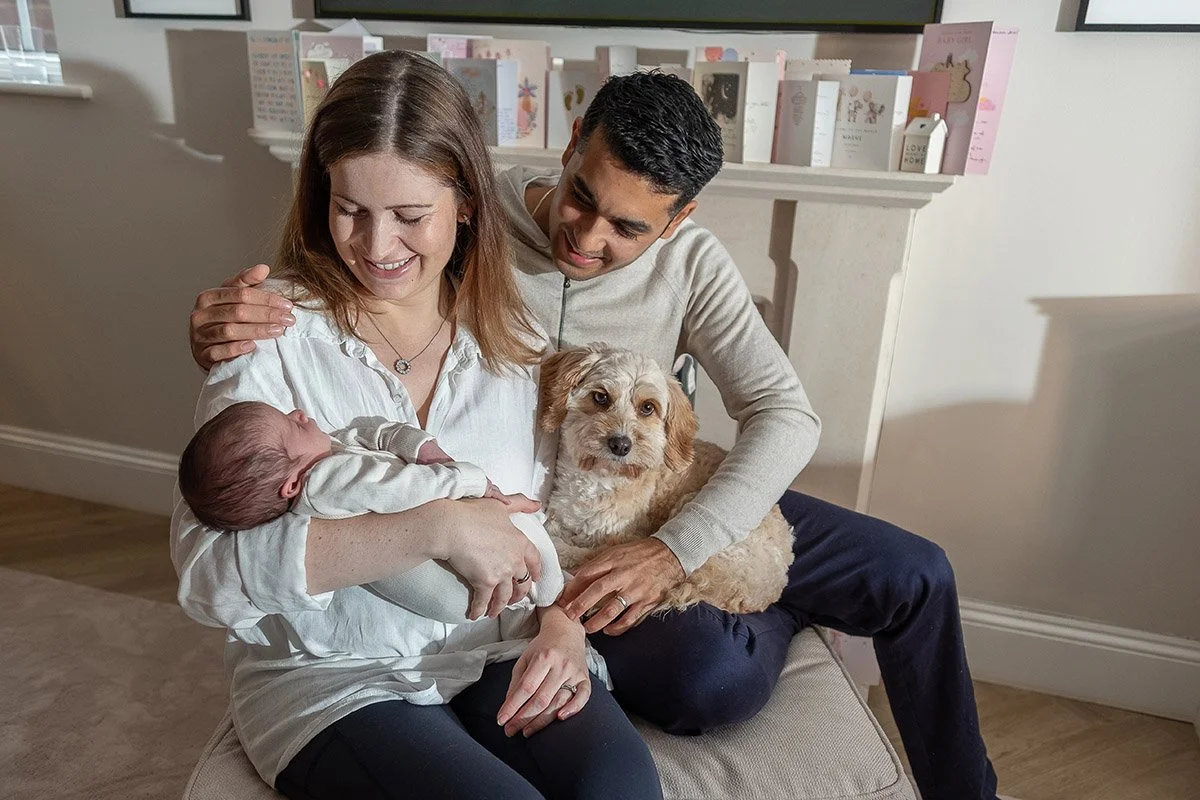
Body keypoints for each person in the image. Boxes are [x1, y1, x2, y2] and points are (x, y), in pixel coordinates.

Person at [188, 70, 1000, 799]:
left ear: (678, 220)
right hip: (501, 567)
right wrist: (221, 334)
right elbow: (212, 560)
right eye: (581, 197)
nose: (586, 238)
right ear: (569, 145)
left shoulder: (589, 302)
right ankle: (758, 609)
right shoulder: (475, 263)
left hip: (670, 494)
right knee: (705, 674)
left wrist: (668, 556)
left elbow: (785, 412)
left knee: (916, 573)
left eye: (628, 227)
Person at [170, 51, 662, 800]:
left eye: (409, 216)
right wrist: (433, 528)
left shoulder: (514, 341)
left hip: (498, 647)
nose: (375, 246)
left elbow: (537, 522)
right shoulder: (268, 332)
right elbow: (207, 579)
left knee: (620, 788)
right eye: (349, 209)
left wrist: (563, 629)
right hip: (335, 677)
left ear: (465, 203)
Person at [177, 401, 562, 623]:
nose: (298, 413)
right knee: (529, 540)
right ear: (292, 484)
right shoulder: (328, 481)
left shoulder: (323, 462)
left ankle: (551, 596)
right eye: (289, 426)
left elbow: (364, 433)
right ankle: (554, 590)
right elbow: (403, 489)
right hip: (449, 592)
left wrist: (417, 445)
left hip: (465, 605)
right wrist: (472, 483)